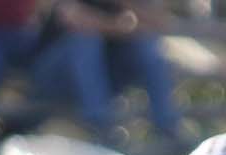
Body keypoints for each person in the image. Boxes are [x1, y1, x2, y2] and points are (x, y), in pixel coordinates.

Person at [29, 0, 179, 147]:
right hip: (53, 76)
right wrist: (120, 26)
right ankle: (101, 127)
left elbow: (161, 23)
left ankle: (167, 126)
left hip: (104, 76)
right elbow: (75, 19)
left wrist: (126, 6)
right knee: (85, 41)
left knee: (146, 46)